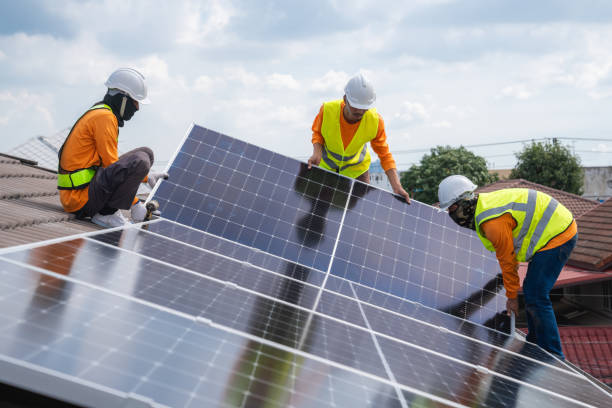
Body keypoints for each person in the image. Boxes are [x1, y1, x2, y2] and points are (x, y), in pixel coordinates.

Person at [437, 175, 577, 359]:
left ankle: (552, 353)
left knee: (536, 292)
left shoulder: (491, 222)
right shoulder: (482, 208)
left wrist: (511, 297)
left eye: (453, 208)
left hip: (559, 233)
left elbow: (508, 260)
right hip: (552, 228)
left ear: (465, 202)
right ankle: (535, 343)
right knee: (532, 289)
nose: (452, 215)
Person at [57, 67, 168, 227]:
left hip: (81, 192)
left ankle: (107, 210)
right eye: (135, 101)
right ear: (123, 99)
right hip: (80, 200)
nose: (137, 107)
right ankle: (106, 213)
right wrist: (136, 205)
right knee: (141, 160)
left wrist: (146, 177)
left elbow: (111, 166)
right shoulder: (105, 117)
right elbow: (111, 164)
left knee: (146, 153)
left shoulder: (102, 112)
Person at [308, 72, 410, 203]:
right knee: (320, 206)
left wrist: (397, 186)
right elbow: (318, 133)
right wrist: (317, 152)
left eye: (364, 109)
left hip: (358, 172)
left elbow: (385, 155)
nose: (361, 113)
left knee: (359, 213)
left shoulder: (375, 121)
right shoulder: (327, 110)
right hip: (327, 168)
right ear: (345, 100)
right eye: (356, 109)